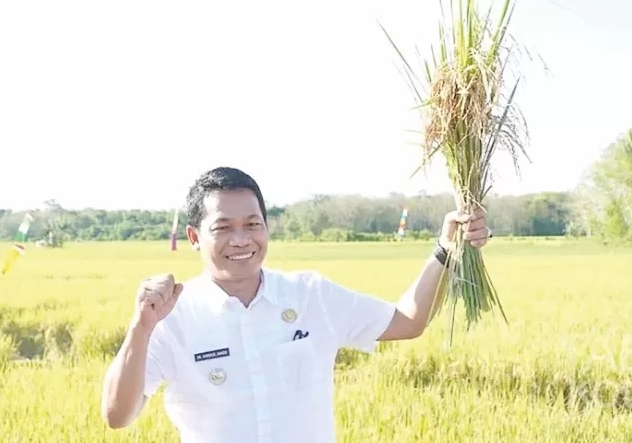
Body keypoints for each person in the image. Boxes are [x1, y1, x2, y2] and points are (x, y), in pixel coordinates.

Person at [101, 166, 493, 443]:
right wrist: (140, 328)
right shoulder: (172, 317)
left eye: (253, 225)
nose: (241, 240)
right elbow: (117, 416)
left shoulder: (310, 296)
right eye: (223, 228)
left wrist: (447, 247)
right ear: (193, 237)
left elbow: (408, 320)